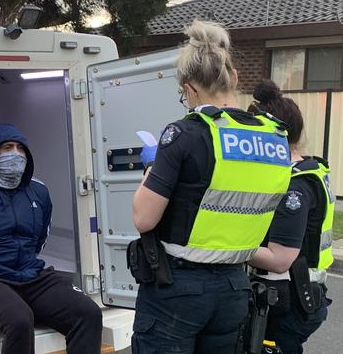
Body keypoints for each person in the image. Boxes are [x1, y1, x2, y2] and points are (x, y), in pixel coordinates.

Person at [130, 20, 293, 354]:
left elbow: (144, 219)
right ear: (233, 77)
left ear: (189, 89)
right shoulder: (275, 137)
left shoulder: (186, 134)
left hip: (178, 289)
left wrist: (151, 169)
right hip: (234, 286)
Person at [0, 124, 103, 354]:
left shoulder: (39, 191)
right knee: (19, 320)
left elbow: (39, 240)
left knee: (88, 313)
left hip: (30, 274)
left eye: (21, 149)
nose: (15, 154)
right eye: (7, 147)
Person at [247, 80, 333, 354]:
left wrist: (226, 247)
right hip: (299, 296)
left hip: (288, 302)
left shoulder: (293, 186)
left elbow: (280, 259)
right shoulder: (310, 171)